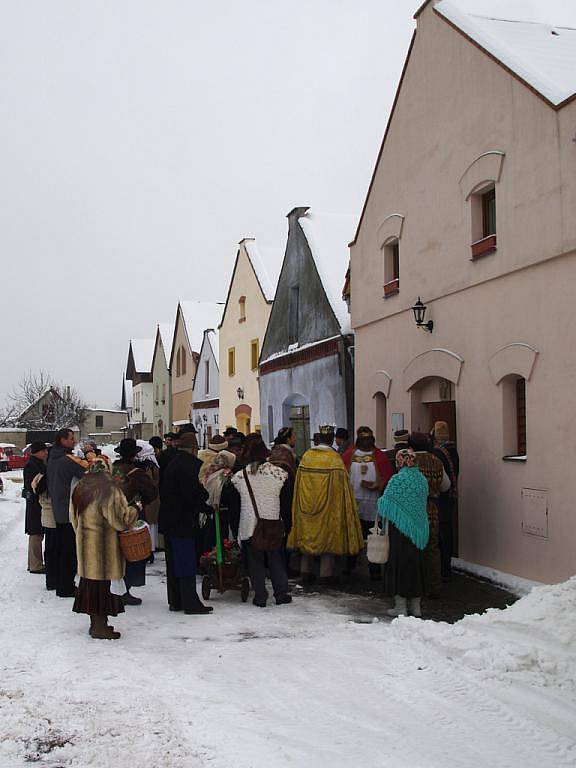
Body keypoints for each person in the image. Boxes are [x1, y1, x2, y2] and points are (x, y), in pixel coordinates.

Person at [71, 458, 138, 640]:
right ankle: (100, 627)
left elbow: (73, 518)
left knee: (91, 586)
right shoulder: (108, 490)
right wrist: (134, 510)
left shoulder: (79, 488)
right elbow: (119, 521)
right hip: (103, 548)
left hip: (86, 546)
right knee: (102, 588)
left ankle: (96, 624)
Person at [288, 426, 363, 582]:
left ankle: (305, 571)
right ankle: (325, 574)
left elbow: (298, 484)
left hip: (305, 507)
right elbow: (342, 487)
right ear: (331, 440)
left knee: (307, 537)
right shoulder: (334, 459)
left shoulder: (307, 456)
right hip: (328, 508)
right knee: (327, 540)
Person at [231, 436, 292, 607]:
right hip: (272, 522)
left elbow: (235, 505)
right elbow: (286, 501)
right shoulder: (279, 474)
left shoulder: (240, 477)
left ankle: (260, 595)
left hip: (249, 524)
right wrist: (287, 522)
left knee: (255, 561)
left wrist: (235, 527)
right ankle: (281, 593)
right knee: (275, 559)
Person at [159, 431, 213, 614]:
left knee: (174, 562)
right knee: (185, 561)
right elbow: (191, 495)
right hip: (182, 520)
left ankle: (176, 600)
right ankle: (190, 602)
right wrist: (205, 502)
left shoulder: (174, 463)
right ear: (193, 449)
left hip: (169, 519)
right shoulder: (187, 466)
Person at [377, 448, 429, 618]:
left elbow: (385, 503)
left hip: (399, 530)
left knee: (398, 565)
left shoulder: (397, 480)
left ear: (400, 461)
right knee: (416, 565)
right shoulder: (422, 480)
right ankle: (416, 607)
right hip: (418, 528)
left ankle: (400, 607)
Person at [342, 427, 394, 580]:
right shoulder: (349, 455)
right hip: (353, 501)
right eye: (363, 439)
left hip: (373, 503)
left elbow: (388, 477)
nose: (366, 442)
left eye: (369, 439)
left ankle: (375, 568)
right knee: (353, 533)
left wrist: (377, 485)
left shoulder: (379, 456)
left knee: (373, 536)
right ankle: (350, 565)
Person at [113, 438, 158, 606]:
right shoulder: (137, 473)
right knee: (132, 553)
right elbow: (152, 493)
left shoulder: (113, 469)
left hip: (114, 515)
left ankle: (116, 588)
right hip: (133, 516)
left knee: (117, 553)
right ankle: (125, 589)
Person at [46, 428, 88, 597]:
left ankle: (58, 582)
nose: (74, 441)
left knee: (60, 549)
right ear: (62, 440)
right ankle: (66, 586)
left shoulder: (51, 458)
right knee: (69, 552)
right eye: (71, 438)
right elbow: (88, 473)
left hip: (58, 509)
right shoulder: (66, 460)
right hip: (68, 511)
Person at [409, 432, 450, 598]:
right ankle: (434, 586)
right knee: (432, 549)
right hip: (431, 510)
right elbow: (445, 486)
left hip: (412, 509)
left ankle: (415, 585)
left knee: (412, 549)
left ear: (410, 446)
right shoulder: (436, 461)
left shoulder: (409, 462)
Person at [431, 421, 459, 580]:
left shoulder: (438, 453)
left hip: (440, 498)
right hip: (450, 498)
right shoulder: (453, 451)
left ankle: (442, 568)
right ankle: (446, 566)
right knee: (447, 532)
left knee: (439, 534)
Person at [23, 442, 49, 574]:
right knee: (36, 533)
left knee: (37, 533)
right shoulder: (32, 465)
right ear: (37, 451)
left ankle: (34, 563)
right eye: (44, 451)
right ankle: (35, 564)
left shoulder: (35, 463)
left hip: (35, 503)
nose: (46, 453)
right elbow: (33, 486)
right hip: (35, 504)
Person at [134, 440, 161, 558]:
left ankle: (150, 548)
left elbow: (153, 480)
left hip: (149, 499)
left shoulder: (148, 465)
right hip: (150, 498)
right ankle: (150, 547)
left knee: (149, 524)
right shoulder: (150, 464)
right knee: (149, 524)